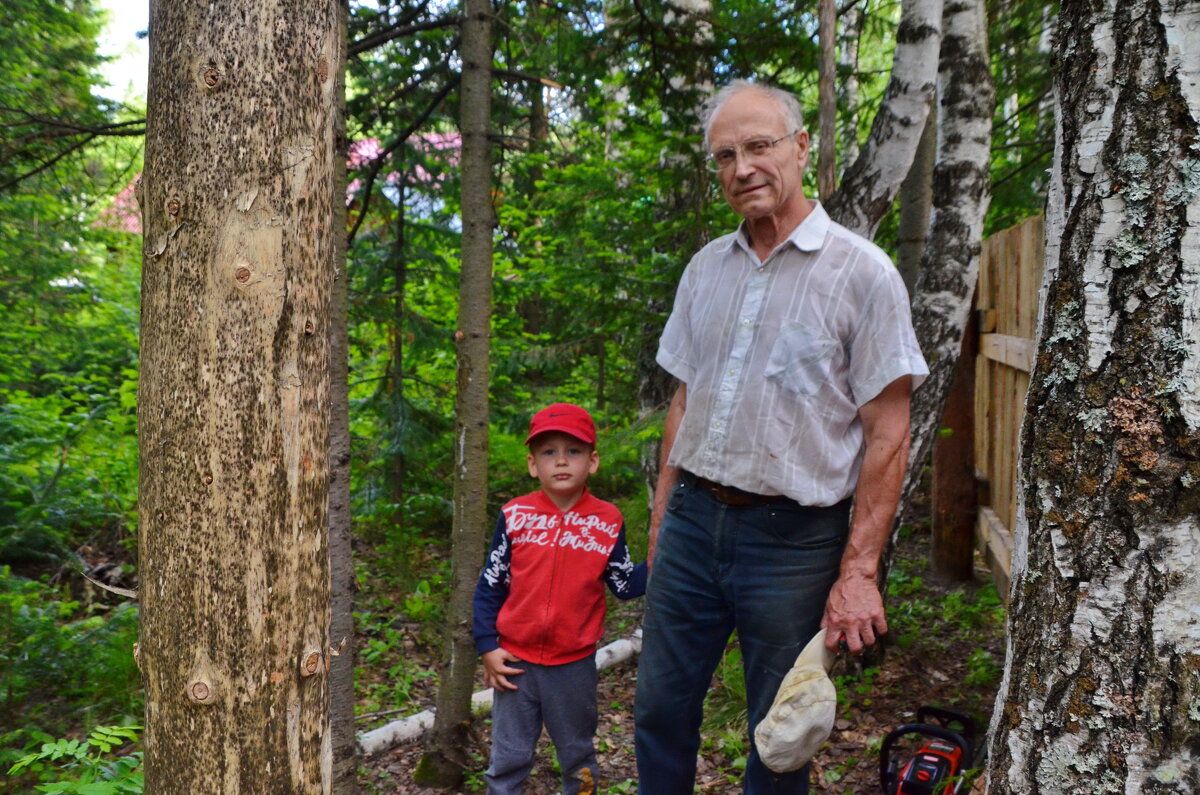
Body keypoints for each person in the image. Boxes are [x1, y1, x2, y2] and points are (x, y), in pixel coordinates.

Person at [633, 80, 929, 794]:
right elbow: (685, 400)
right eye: (726, 156)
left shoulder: (863, 274)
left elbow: (888, 433)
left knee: (783, 731)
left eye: (759, 146)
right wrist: (662, 517)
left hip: (795, 539)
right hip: (694, 522)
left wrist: (858, 572)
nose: (742, 168)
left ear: (802, 148)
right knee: (658, 710)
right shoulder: (707, 269)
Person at [473, 402, 648, 795]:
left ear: (593, 461)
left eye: (574, 451)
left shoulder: (607, 520)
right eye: (549, 452)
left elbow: (623, 584)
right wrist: (487, 645)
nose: (561, 461)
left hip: (573, 666)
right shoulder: (515, 515)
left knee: (576, 754)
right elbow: (491, 584)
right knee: (509, 756)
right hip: (514, 663)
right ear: (533, 464)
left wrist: (662, 560)